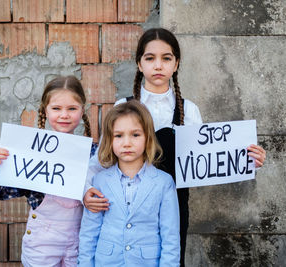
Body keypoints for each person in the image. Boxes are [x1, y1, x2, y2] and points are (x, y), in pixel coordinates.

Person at [83, 27, 267, 266]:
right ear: (139, 64)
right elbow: (101, 159)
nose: (158, 65)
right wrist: (85, 192)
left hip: (174, 204)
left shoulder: (188, 110)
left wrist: (247, 160)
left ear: (176, 64)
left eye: (166, 58)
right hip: (124, 204)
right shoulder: (124, 106)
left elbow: (209, 160)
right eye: (150, 58)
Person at [0, 75, 97, 267]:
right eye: (56, 108)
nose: (64, 115)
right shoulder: (31, 151)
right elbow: (1, 192)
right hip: (41, 245)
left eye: (72, 109)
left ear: (82, 110)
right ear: (45, 110)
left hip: (81, 241)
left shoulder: (94, 153)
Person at [78, 100, 180, 266]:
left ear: (148, 137)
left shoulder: (164, 182)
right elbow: (89, 233)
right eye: (118, 136)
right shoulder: (100, 181)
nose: (127, 143)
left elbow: (171, 237)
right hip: (107, 261)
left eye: (135, 135)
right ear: (110, 140)